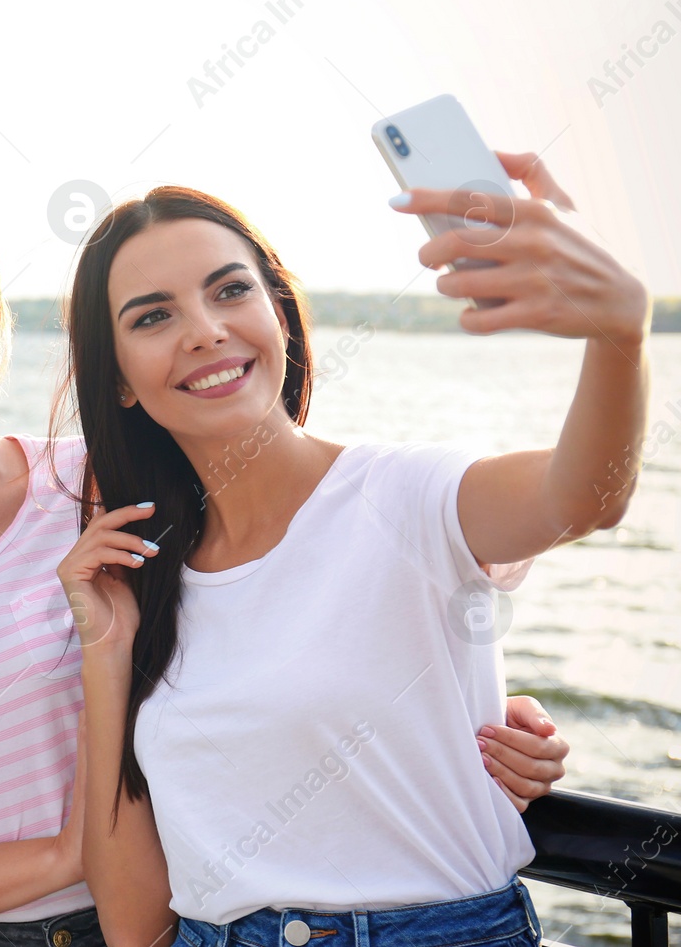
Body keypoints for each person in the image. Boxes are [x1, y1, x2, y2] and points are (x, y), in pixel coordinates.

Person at [0, 179, 572, 946]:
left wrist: (478, 705)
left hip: (180, 920)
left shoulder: (103, 488)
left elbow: (297, 593)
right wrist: (73, 854)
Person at [59, 154, 647, 947]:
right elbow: (133, 927)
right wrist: (106, 652)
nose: (205, 330)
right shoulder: (145, 582)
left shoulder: (406, 493)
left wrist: (617, 331)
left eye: (231, 290)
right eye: (152, 316)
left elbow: (585, 496)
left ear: (278, 312)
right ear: (121, 377)